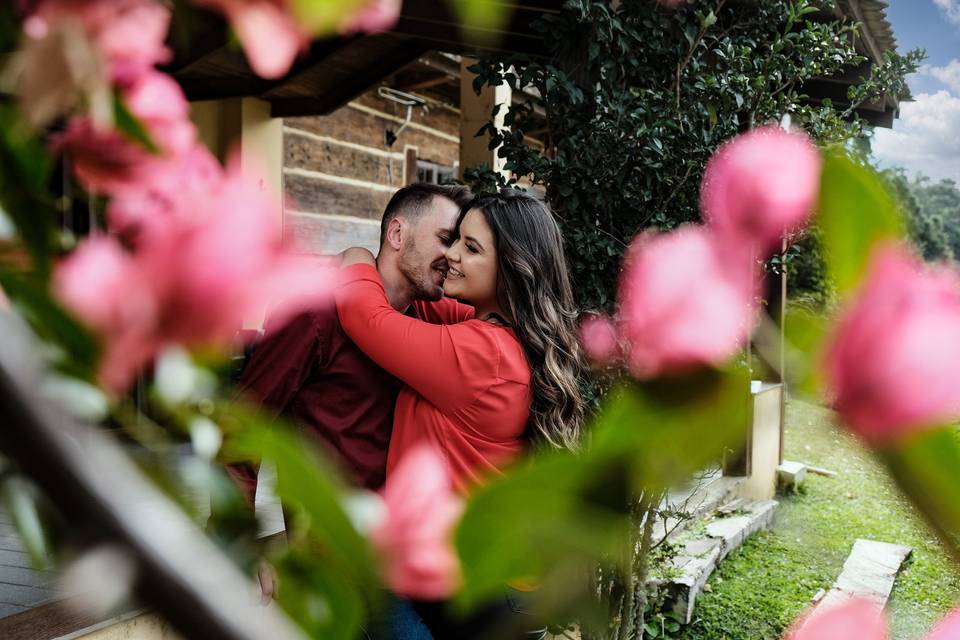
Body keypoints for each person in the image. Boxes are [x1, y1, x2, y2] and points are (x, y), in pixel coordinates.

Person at [336, 188, 586, 639]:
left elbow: (365, 317)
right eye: (453, 240)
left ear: (511, 270)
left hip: (482, 589)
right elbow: (429, 305)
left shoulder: (481, 355)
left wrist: (356, 257)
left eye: (470, 248)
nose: (451, 255)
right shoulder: (502, 334)